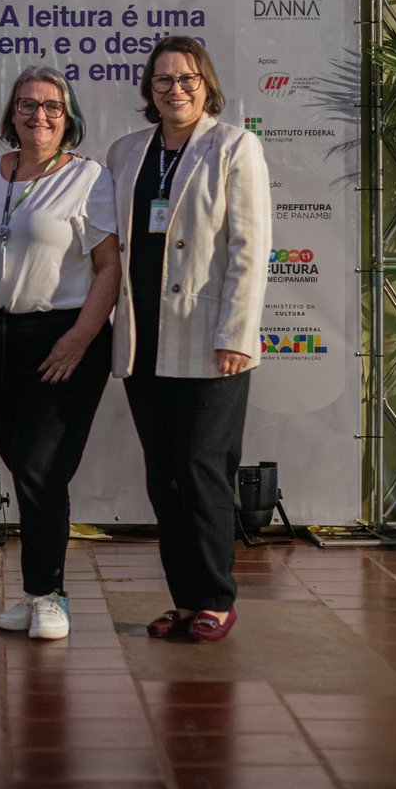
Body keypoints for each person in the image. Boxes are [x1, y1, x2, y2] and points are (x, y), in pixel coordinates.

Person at [107, 35, 271, 643]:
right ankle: (183, 600)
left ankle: (215, 598)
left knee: (203, 470)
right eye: (163, 80)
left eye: (187, 79)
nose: (175, 89)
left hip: (210, 341)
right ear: (148, 89)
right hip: (143, 339)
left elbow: (250, 248)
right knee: (165, 477)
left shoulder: (234, 146)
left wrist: (238, 333)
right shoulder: (126, 152)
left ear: (206, 85)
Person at [0, 68, 120, 641]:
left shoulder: (88, 178)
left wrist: (80, 338)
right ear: (11, 114)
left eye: (53, 106)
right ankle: (35, 594)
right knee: (20, 460)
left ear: (69, 116)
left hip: (62, 338)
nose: (40, 115)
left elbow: (109, 267)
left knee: (41, 466)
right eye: (28, 104)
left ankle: (50, 593)